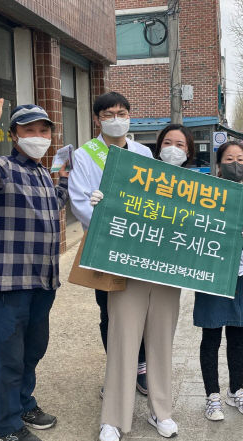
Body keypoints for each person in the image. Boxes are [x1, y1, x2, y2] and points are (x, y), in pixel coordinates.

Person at [0, 83, 68, 441]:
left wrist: (67, 181)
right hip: (9, 283)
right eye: (28, 130)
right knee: (7, 355)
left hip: (42, 281)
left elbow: (55, 202)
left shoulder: (42, 173)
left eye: (43, 130)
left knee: (32, 349)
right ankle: (5, 425)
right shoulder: (2, 169)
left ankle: (23, 404)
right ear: (13, 135)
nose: (38, 137)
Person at [93, 125, 195, 441]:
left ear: (189, 152)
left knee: (161, 345)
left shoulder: (199, 189)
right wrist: (101, 204)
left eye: (180, 144)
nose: (173, 148)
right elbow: (115, 216)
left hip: (168, 278)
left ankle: (160, 411)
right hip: (130, 274)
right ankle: (112, 419)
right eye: (168, 142)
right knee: (122, 341)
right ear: (157, 147)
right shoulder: (137, 176)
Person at [68, 92, 152, 396]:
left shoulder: (143, 153)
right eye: (108, 115)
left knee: (141, 306)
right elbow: (80, 201)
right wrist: (112, 227)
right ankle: (118, 371)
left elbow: (154, 199)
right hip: (105, 244)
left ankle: (141, 367)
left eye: (122, 113)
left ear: (130, 116)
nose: (116, 120)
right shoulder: (84, 154)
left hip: (140, 243)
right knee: (110, 310)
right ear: (96, 119)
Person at [193, 141, 243, 421]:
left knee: (237, 335)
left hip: (242, 277)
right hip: (212, 273)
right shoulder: (204, 194)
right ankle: (212, 396)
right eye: (229, 158)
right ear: (218, 165)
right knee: (211, 335)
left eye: (240, 158)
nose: (235, 163)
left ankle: (237, 391)